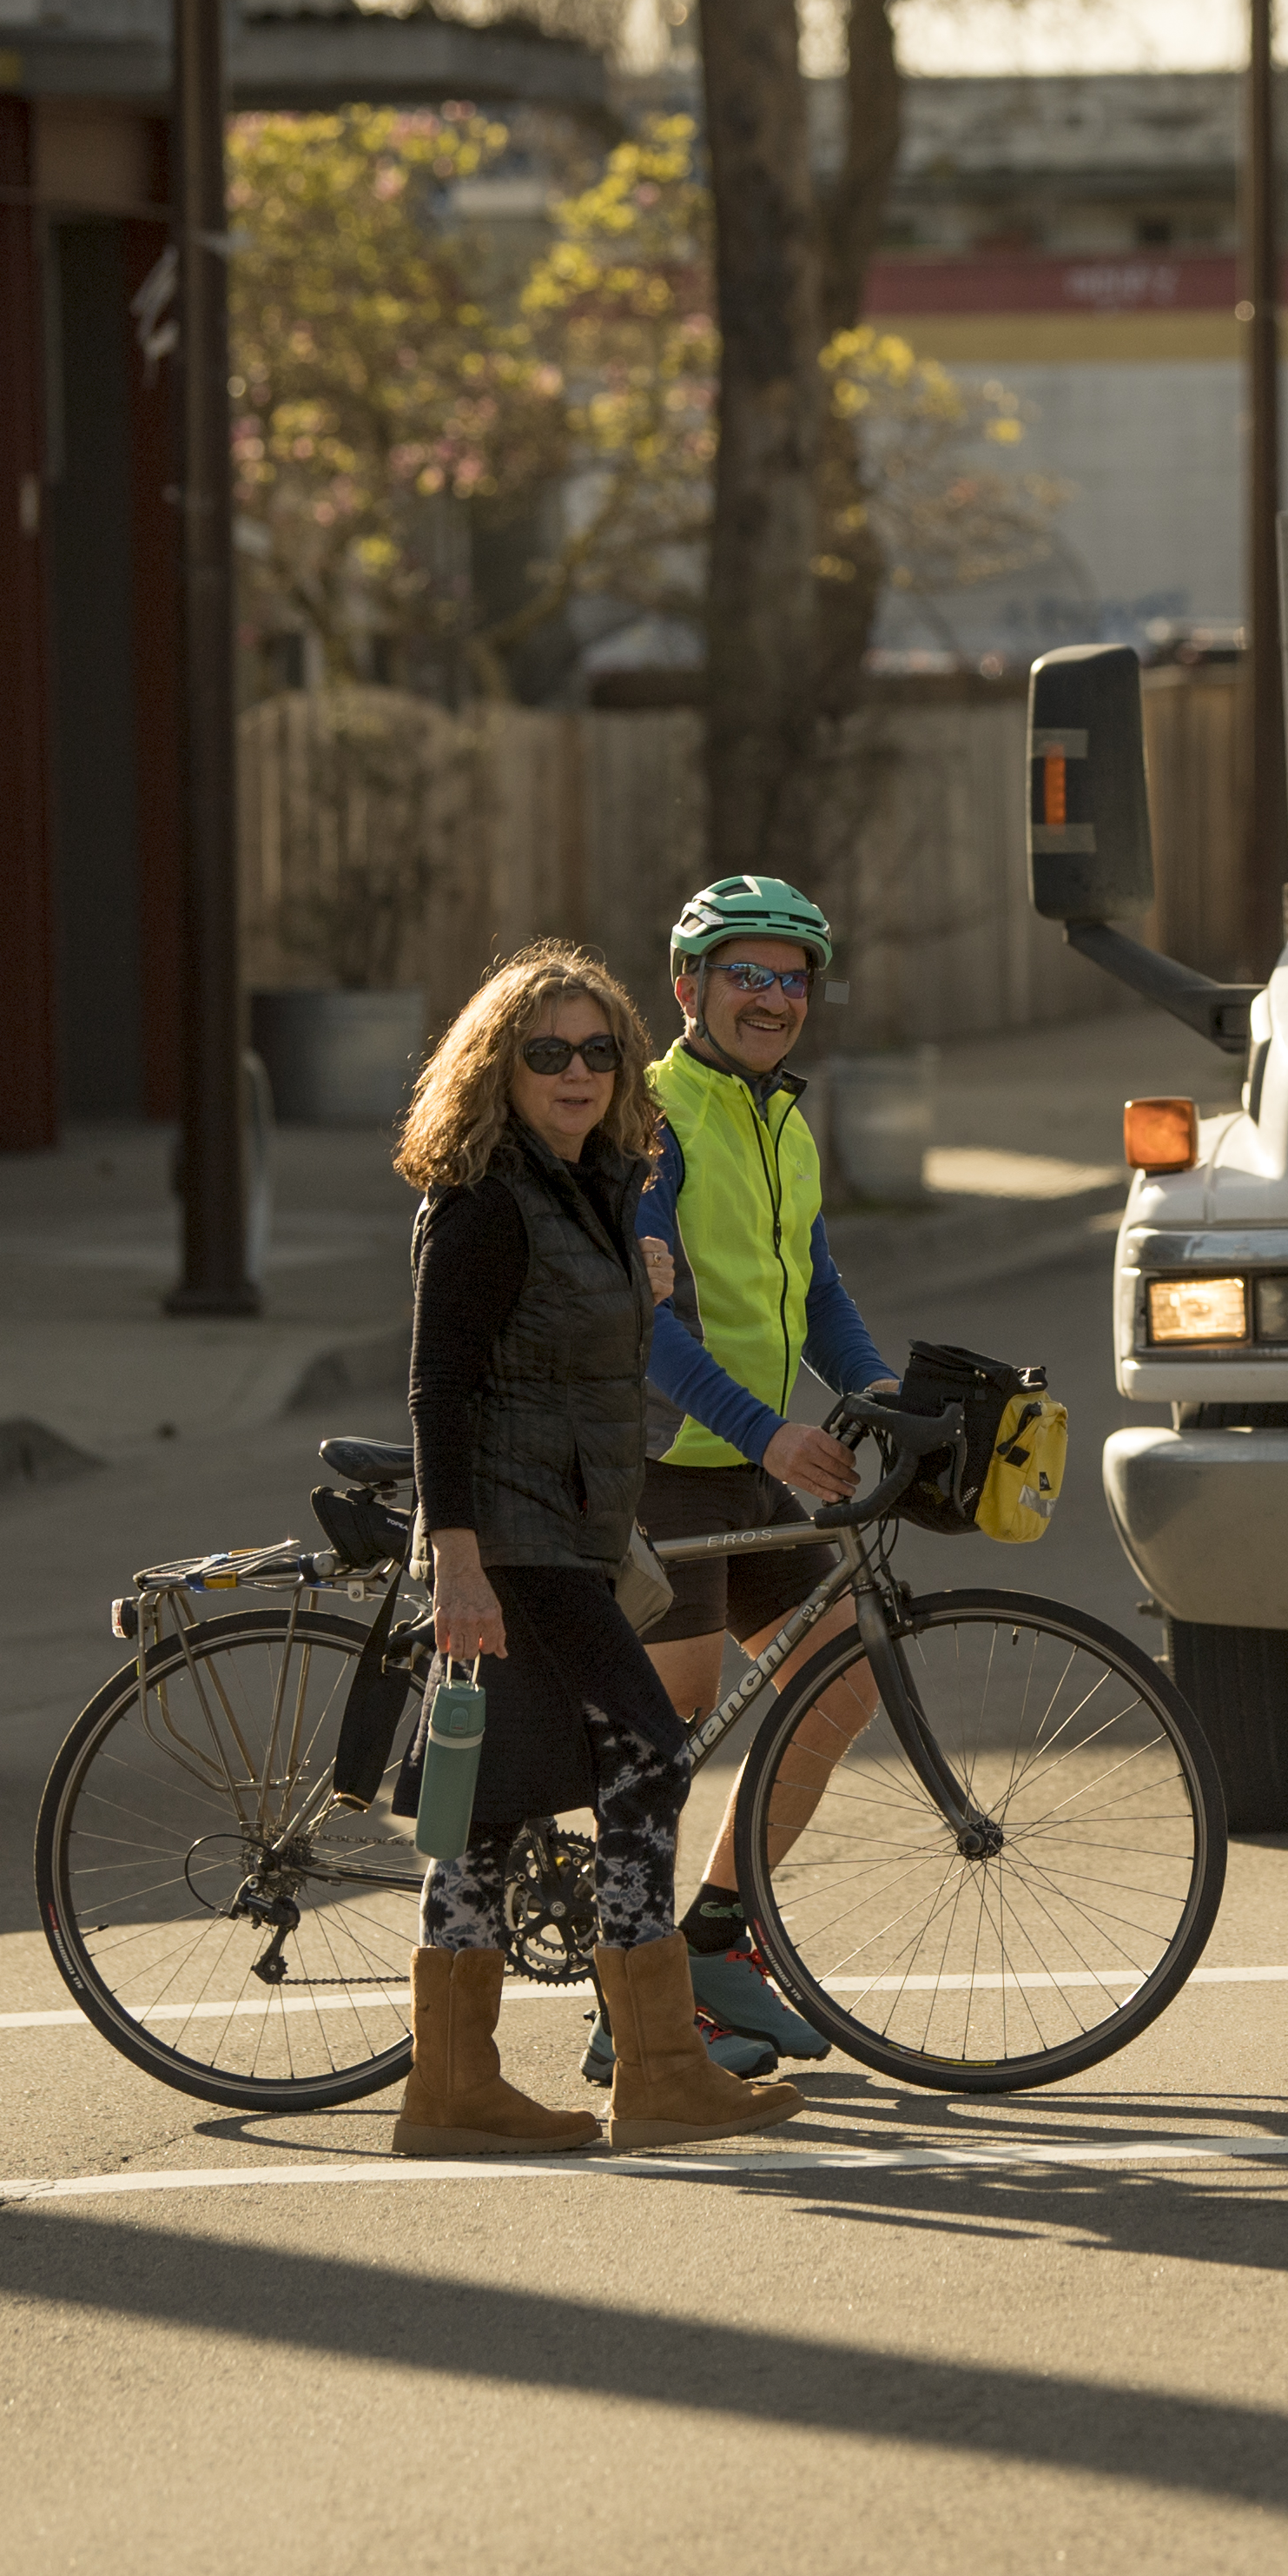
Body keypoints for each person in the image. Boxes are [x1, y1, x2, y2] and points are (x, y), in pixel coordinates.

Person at [394, 938, 804, 2156]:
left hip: (568, 1528)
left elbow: (583, 1353)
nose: (575, 1073)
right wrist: (456, 1561)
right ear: (498, 1068)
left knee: (492, 1805)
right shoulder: (482, 1198)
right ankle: (658, 2066)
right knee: (650, 1755)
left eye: (596, 1052)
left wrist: (643, 1273)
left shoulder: (593, 1187)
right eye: (546, 1053)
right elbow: (438, 1391)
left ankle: (451, 2089)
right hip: (516, 1541)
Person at [611, 874, 899, 2079]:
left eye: (793, 980)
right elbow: (649, 1327)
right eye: (749, 976)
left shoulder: (783, 1118)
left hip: (744, 1467)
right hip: (666, 1465)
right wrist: (774, 1434)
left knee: (842, 1687)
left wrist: (882, 1392)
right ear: (690, 987)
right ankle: (631, 2006)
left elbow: (816, 1291)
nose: (775, 999)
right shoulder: (653, 1120)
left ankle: (718, 1943)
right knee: (662, 1733)